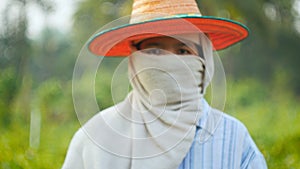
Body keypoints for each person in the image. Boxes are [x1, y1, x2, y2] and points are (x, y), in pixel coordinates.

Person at [62, 0, 268, 168]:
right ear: (134, 61)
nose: (170, 62)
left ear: (205, 61)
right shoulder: (96, 138)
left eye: (183, 51)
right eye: (154, 51)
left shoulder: (234, 139)